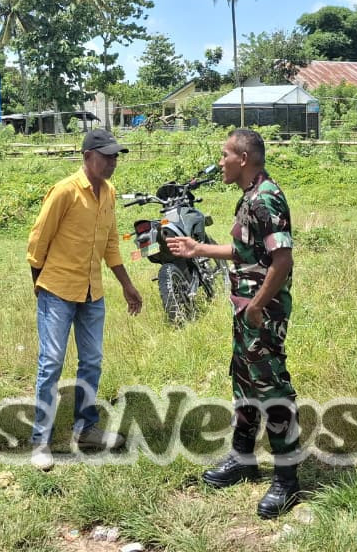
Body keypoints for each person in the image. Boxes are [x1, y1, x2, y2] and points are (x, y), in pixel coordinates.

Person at [167, 128, 301, 519]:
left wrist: (258, 306)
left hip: (262, 312)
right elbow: (246, 250)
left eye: (225, 154)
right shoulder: (249, 197)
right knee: (245, 381)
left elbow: (282, 260)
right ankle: (243, 459)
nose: (220, 161)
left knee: (271, 388)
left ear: (243, 158)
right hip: (246, 310)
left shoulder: (266, 198)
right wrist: (198, 248)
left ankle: (287, 480)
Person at [25, 128, 143, 471]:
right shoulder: (65, 191)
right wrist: (40, 285)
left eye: (115, 157)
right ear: (88, 156)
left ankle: (86, 428)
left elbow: (110, 244)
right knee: (51, 363)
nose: (112, 162)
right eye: (107, 157)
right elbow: (37, 242)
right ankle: (40, 441)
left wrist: (127, 285)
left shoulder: (109, 193)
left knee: (91, 361)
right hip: (57, 290)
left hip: (92, 292)